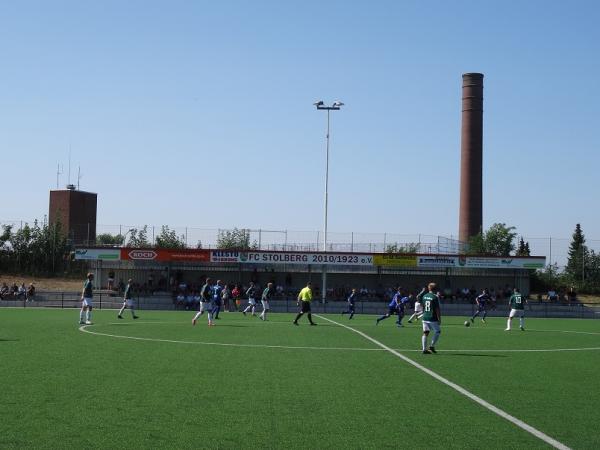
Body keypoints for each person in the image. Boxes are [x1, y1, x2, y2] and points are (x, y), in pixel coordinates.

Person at [417, 283, 441, 354]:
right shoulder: (435, 297)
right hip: (432, 317)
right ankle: (432, 346)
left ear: (429, 288)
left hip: (425, 317)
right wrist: (439, 319)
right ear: (435, 289)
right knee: (437, 331)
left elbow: (422, 305)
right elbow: (437, 309)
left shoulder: (425, 296)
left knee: (425, 333)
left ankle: (424, 349)